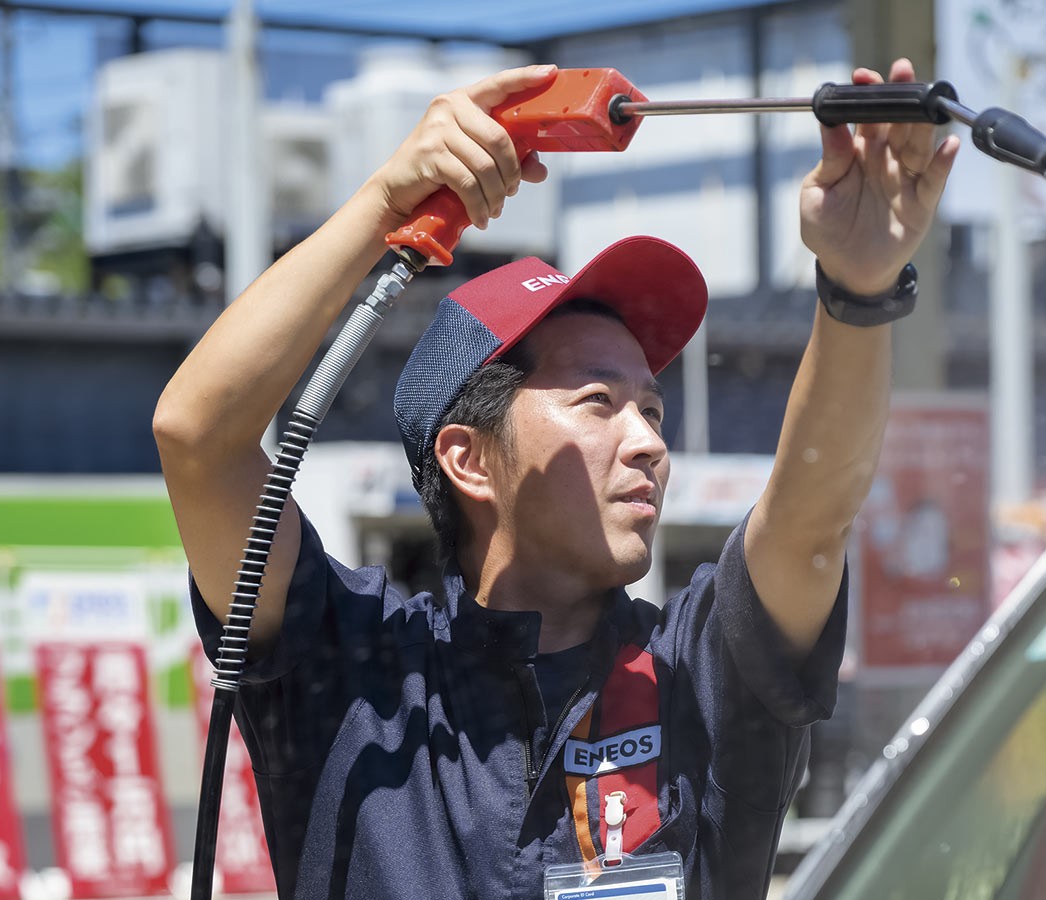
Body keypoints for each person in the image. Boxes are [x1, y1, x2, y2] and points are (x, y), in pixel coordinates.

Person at [154, 59, 957, 900]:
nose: (648, 441)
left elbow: (811, 517)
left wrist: (858, 290)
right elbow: (197, 436)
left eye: (651, 408)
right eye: (598, 401)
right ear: (469, 459)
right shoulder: (351, 668)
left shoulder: (699, 672)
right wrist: (388, 205)